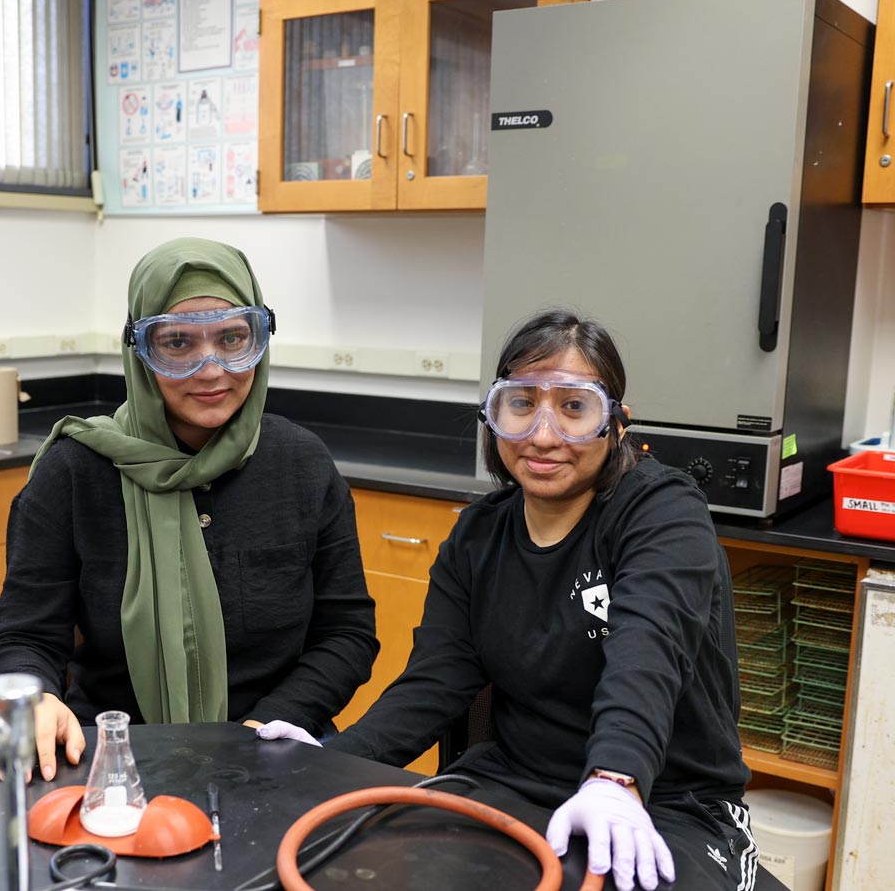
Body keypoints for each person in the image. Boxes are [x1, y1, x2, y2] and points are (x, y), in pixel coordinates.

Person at [257, 310, 754, 891]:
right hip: (511, 783)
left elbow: (648, 654)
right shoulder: (477, 536)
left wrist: (613, 779)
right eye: (521, 404)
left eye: (574, 407)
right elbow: (434, 683)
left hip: (667, 802)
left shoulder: (662, 512)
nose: (543, 436)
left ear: (615, 423)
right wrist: (335, 759)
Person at [0, 237, 378, 780]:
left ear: (259, 338)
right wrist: (34, 696)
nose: (210, 369)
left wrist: (262, 728)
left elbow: (347, 633)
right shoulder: (74, 472)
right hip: (114, 754)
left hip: (273, 746)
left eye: (232, 338)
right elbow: (24, 637)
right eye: (176, 343)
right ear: (138, 349)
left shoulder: (302, 464)